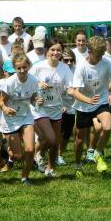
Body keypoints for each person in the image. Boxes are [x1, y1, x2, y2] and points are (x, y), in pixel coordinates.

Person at [71, 36, 111, 174]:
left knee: (107, 126)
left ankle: (97, 152)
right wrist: (88, 100)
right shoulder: (82, 66)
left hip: (101, 102)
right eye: (98, 55)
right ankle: (77, 164)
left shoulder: (106, 63)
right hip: (83, 105)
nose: (100, 58)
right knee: (79, 140)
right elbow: (75, 92)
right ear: (89, 51)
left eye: (102, 54)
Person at [31, 38, 73, 178]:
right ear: (47, 51)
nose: (55, 53)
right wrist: (38, 85)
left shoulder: (65, 68)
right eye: (52, 49)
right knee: (50, 138)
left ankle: (50, 168)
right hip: (40, 108)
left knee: (55, 143)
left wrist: (84, 99)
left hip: (56, 108)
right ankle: (39, 154)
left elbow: (70, 88)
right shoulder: (38, 67)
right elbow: (27, 83)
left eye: (58, 50)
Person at [0, 53, 38, 185]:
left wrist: (37, 101)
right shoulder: (10, 83)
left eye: (24, 67)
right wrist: (5, 109)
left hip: (26, 116)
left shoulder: (33, 80)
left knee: (30, 149)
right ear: (14, 68)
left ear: (29, 66)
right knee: (16, 156)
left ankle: (25, 177)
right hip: (11, 119)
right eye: (18, 68)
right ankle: (5, 145)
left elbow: (33, 99)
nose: (22, 70)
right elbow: (1, 101)